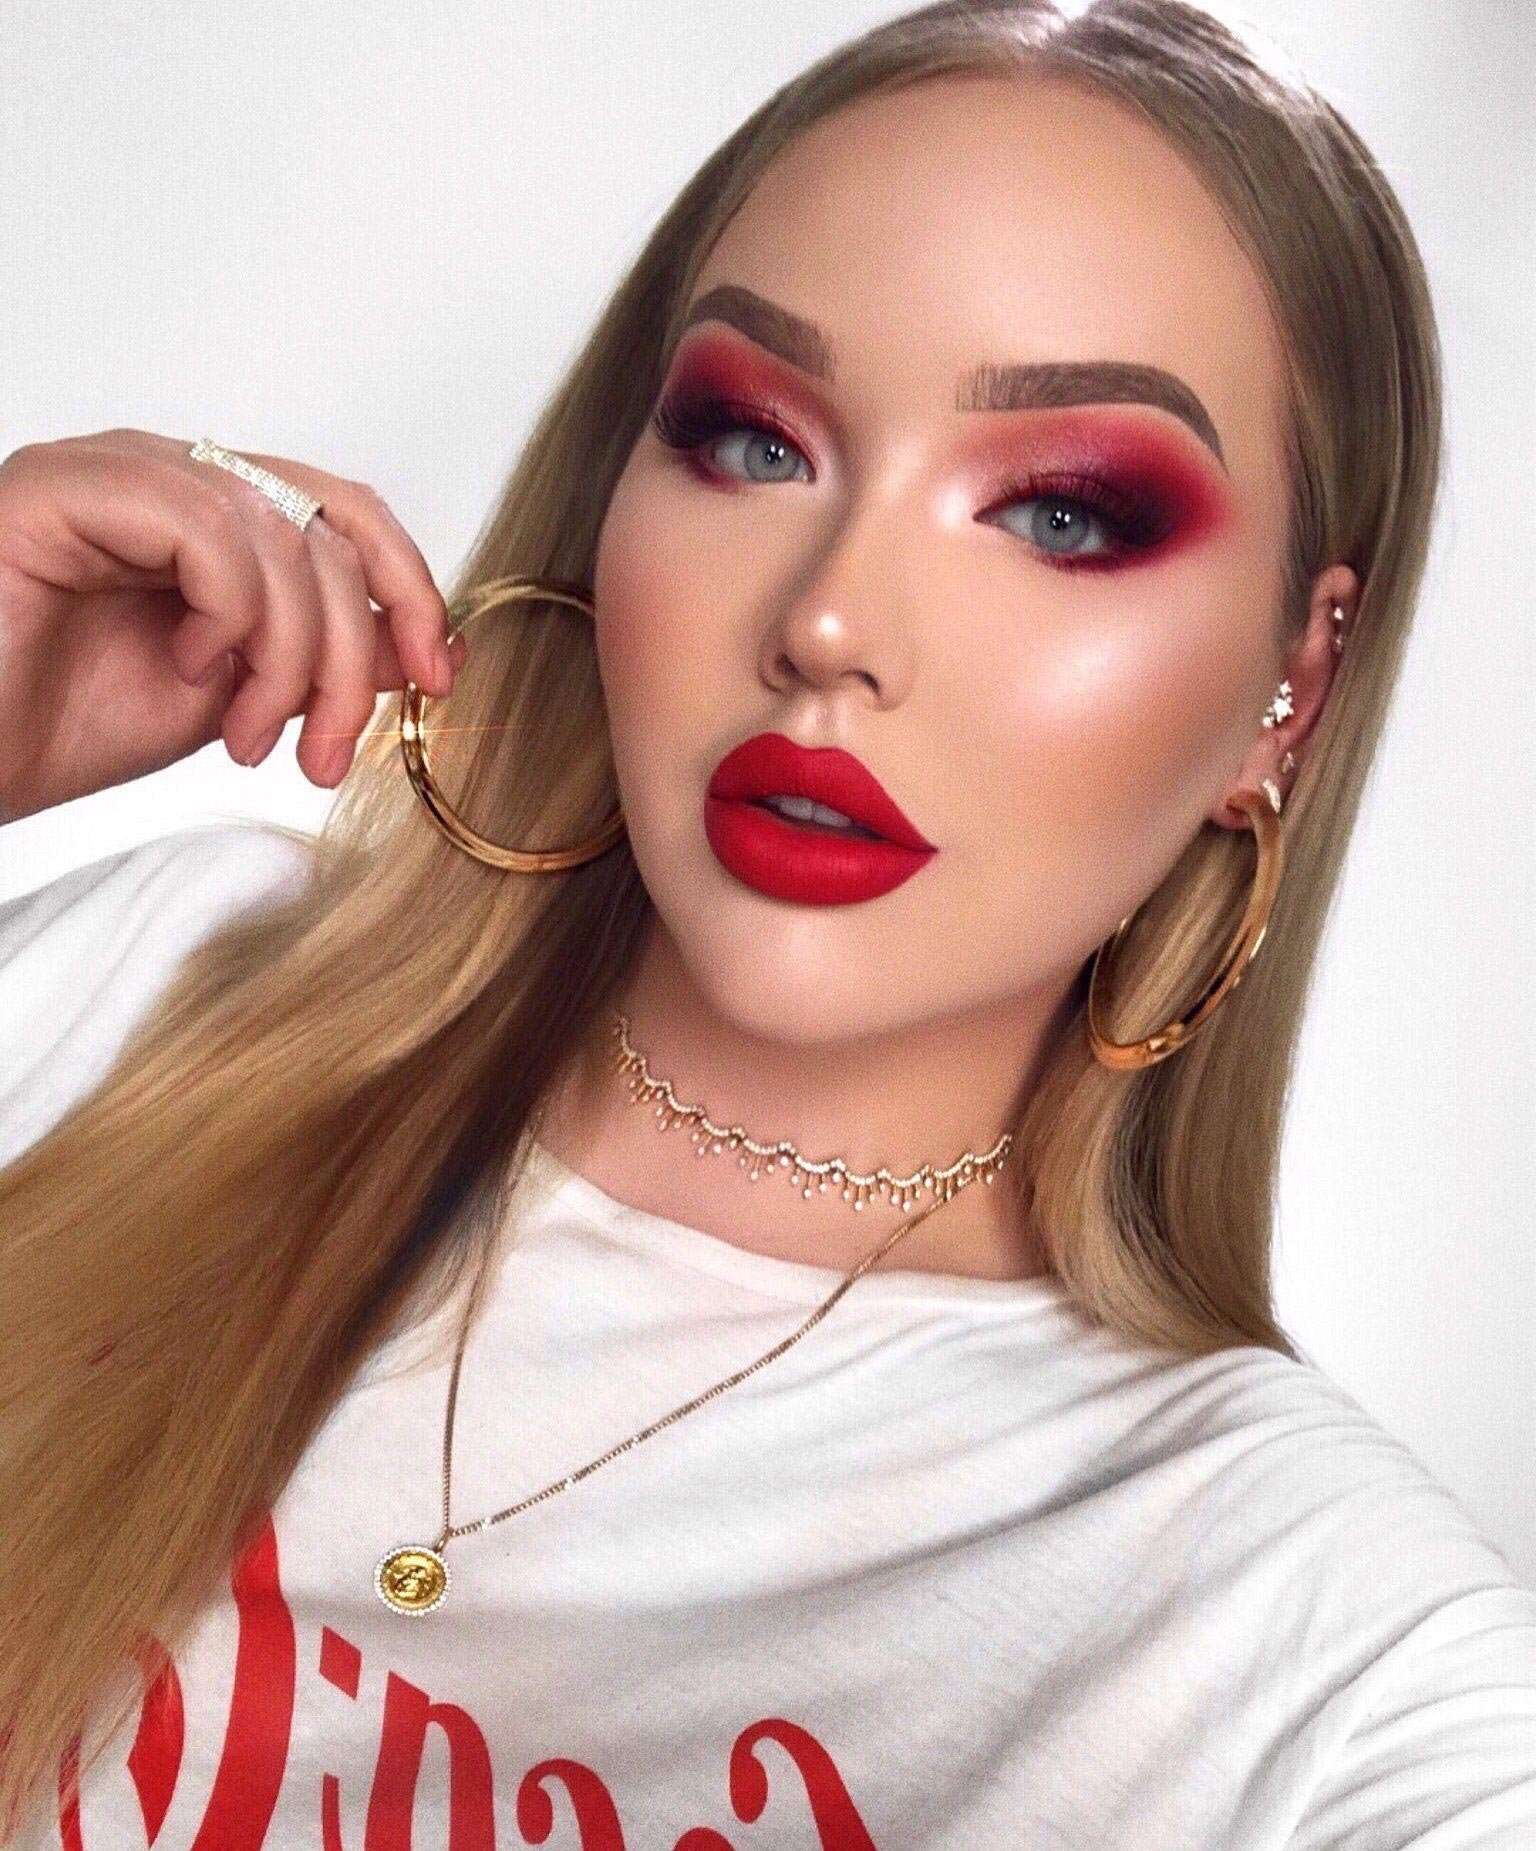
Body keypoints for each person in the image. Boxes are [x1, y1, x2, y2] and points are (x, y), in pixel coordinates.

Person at [1, 0, 1532, 1843]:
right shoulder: (136, 1002)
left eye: (1059, 516)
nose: (828, 622)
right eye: (754, 442)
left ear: (1297, 683)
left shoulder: (1319, 1646)